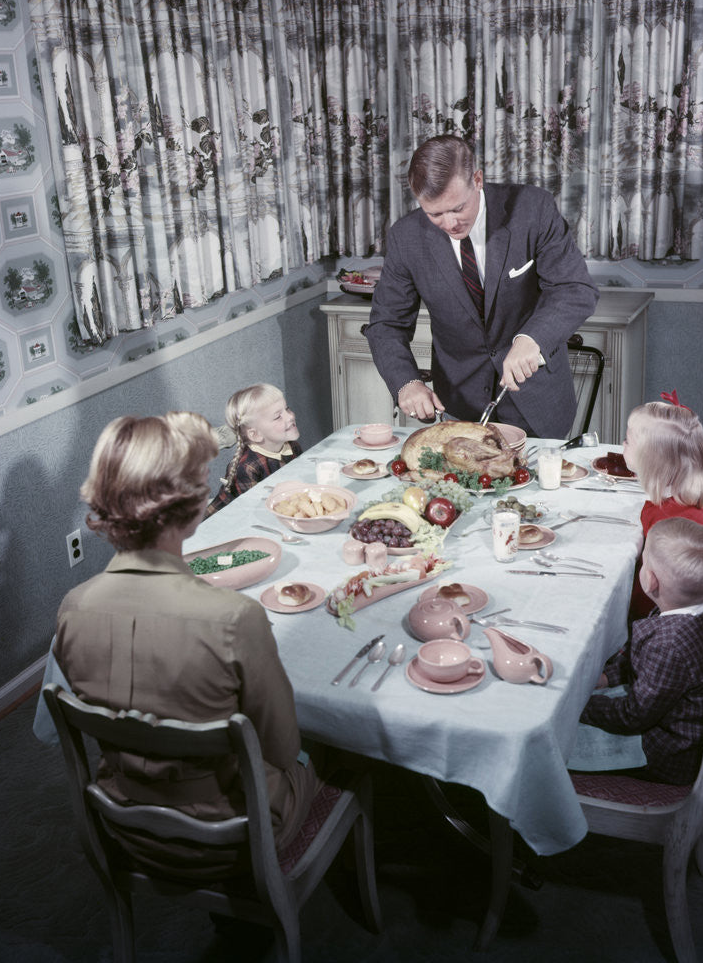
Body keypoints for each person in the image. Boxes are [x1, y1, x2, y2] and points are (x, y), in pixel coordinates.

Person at [54, 411, 321, 877]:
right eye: (204, 482)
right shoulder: (234, 617)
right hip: (236, 830)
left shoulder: (72, 608)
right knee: (329, 756)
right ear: (192, 505)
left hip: (123, 819)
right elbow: (281, 748)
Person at [364, 134, 599, 437]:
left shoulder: (531, 208)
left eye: (458, 208)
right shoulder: (405, 237)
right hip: (459, 404)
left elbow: (575, 288)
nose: (450, 224)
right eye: (435, 214)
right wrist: (406, 383)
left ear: (477, 180)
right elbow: (386, 324)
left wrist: (532, 338)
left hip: (538, 404)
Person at [580, 517, 703, 785]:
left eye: (643, 561)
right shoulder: (695, 610)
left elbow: (632, 716)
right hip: (671, 720)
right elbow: (641, 666)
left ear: (650, 581)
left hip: (665, 752)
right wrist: (608, 678)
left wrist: (578, 705)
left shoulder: (669, 645)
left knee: (560, 741)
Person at [622, 396, 703, 619]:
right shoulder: (689, 493)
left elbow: (655, 593)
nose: (623, 445)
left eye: (627, 441)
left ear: (651, 461)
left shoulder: (669, 523)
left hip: (667, 610)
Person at [207, 383, 301, 515]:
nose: (290, 416)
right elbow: (255, 513)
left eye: (287, 409)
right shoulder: (247, 467)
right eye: (278, 416)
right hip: (230, 520)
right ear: (255, 434)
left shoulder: (291, 445)